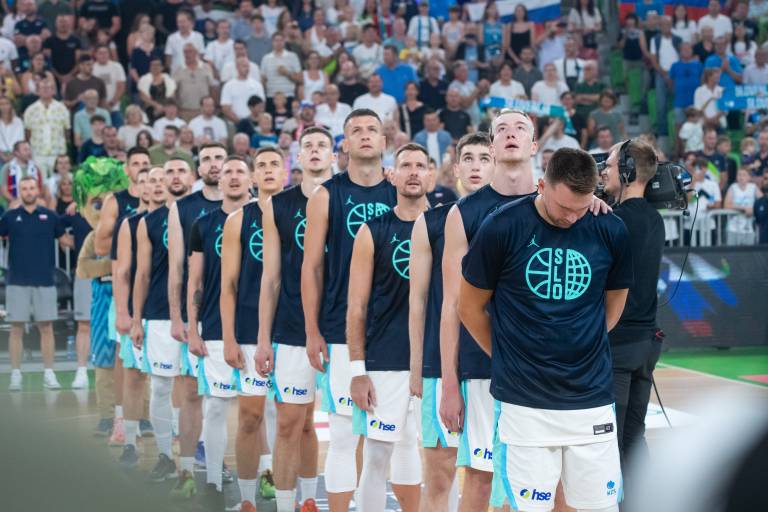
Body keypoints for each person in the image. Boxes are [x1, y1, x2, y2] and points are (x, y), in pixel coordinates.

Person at [459, 146, 630, 512]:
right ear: (541, 185)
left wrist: (584, 342)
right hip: (524, 404)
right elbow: (469, 306)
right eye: (563, 207)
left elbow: (616, 300)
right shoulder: (501, 226)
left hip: (591, 400)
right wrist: (506, 356)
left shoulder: (610, 228)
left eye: (580, 208)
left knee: (599, 507)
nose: (571, 217)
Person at [439, 110, 540, 511]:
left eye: (520, 128)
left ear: (534, 145)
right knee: (481, 481)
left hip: (544, 368)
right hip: (483, 368)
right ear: (492, 146)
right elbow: (452, 305)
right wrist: (449, 384)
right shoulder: (464, 213)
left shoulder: (559, 202)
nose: (511, 134)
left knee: (538, 485)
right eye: (502, 129)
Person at [301, 109, 397, 511]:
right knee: (343, 436)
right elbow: (311, 267)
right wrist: (312, 331)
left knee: (384, 444)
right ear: (345, 144)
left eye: (372, 129)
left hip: (393, 332)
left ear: (384, 141)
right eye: (356, 130)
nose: (364, 135)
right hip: (343, 329)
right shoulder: (326, 196)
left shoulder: (401, 191)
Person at [409, 132, 494, 512]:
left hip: (490, 364)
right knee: (439, 476)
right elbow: (418, 301)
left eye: (484, 158)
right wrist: (417, 368)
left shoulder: (520, 217)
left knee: (488, 478)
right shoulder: (431, 222)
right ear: (456, 168)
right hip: (439, 364)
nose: (476, 166)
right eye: (468, 158)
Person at [255, 128, 335, 512]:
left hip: (342, 327)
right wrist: (262, 338)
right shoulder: (279, 205)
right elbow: (270, 277)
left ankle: (310, 501)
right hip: (290, 328)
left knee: (334, 428)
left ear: (334, 155)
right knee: (291, 422)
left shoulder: (347, 197)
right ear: (297, 158)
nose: (315, 151)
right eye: (308, 146)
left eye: (322, 145)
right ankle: (288, 505)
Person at [347, 143, 429, 512]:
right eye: (405, 165)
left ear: (431, 175)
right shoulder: (373, 230)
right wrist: (357, 370)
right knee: (378, 454)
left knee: (423, 449)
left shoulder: (446, 224)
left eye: (420, 166)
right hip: (385, 359)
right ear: (391, 176)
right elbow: (356, 307)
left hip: (434, 360)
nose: (413, 172)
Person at [186, 155, 271, 509]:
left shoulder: (268, 217)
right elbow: (195, 280)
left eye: (240, 171)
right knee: (217, 408)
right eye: (227, 173)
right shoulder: (203, 224)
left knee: (264, 410)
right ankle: (213, 482)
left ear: (251, 179)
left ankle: (267, 474)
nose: (234, 177)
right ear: (217, 181)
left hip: (260, 326)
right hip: (215, 327)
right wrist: (193, 329)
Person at [600, 140, 665, 502]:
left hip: (620, 346)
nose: (603, 171)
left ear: (627, 170)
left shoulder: (614, 220)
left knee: (609, 441)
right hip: (645, 346)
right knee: (634, 438)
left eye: (609, 165)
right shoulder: (655, 219)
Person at [166, 142, 224, 495]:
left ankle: (244, 471)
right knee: (191, 393)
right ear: (198, 169)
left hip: (242, 318)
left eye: (219, 157)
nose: (214, 164)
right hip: (200, 315)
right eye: (207, 159)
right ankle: (186, 472)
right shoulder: (183, 208)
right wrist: (177, 318)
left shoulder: (251, 204)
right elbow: (176, 268)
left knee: (247, 403)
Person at [131, 160, 193, 480]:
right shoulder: (149, 222)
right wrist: (135, 319)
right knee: (160, 387)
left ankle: (201, 454)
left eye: (181, 171)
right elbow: (141, 274)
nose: (175, 177)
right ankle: (166, 455)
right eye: (169, 172)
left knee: (198, 392)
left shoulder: (204, 213)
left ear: (191, 177)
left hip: (202, 314)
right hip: (157, 315)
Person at [1, 176, 71, 391]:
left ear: (38, 190)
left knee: (46, 327)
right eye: (24, 189)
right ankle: (15, 374)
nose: (29, 192)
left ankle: (49, 373)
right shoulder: (10, 217)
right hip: (17, 281)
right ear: (19, 192)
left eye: (32, 188)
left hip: (45, 281)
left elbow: (66, 241)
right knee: (16, 328)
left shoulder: (50, 217)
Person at [111, 165, 153, 467]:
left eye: (158, 180)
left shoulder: (176, 217)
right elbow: (121, 272)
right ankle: (130, 441)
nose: (153, 185)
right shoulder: (129, 223)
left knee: (177, 382)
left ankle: (179, 439)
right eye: (146, 181)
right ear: (137, 187)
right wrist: (123, 312)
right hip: (137, 310)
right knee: (134, 376)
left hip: (167, 311)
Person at [23, 79, 70, 175]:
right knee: (40, 180)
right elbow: (27, 132)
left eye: (48, 88)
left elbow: (67, 131)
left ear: (53, 90)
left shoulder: (62, 108)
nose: (45, 90)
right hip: (38, 153)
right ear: (38, 91)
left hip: (58, 153)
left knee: (58, 181)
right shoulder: (30, 110)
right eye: (43, 88)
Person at [0, 140, 47, 206]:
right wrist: (16, 201)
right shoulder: (7, 168)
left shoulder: (37, 167)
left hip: (34, 200)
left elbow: (43, 188)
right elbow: (3, 190)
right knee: (14, 206)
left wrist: (31, 200)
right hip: (14, 201)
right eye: (25, 150)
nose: (29, 152)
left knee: (42, 203)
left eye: (29, 149)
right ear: (17, 153)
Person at [221, 56, 266, 124]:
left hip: (254, 124)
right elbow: (225, 108)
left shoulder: (257, 85)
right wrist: (241, 123)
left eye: (248, 66)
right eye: (244, 66)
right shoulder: (228, 86)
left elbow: (262, 106)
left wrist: (253, 122)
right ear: (237, 67)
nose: (247, 69)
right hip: (235, 124)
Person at [725, 168, 763, 246]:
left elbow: (763, 202)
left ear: (749, 177)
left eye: (744, 175)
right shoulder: (733, 187)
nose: (741, 177)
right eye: (739, 175)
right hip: (733, 228)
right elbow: (726, 205)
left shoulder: (753, 187)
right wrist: (743, 209)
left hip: (749, 228)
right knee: (732, 252)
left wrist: (753, 210)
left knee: (749, 252)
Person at [165, 8, 204, 73]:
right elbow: (168, 59)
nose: (181, 24)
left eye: (183, 21)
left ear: (190, 22)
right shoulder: (171, 38)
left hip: (194, 73)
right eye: (179, 22)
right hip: (177, 73)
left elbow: (201, 56)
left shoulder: (199, 36)